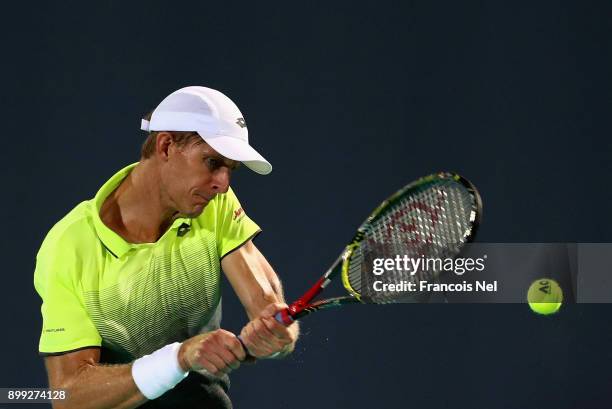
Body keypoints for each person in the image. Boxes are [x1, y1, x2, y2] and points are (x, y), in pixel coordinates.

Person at [34, 86, 299, 409]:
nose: (223, 183)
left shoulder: (211, 203)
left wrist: (276, 333)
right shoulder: (70, 246)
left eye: (231, 169)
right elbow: (69, 397)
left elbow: (266, 304)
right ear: (166, 145)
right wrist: (179, 357)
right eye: (212, 161)